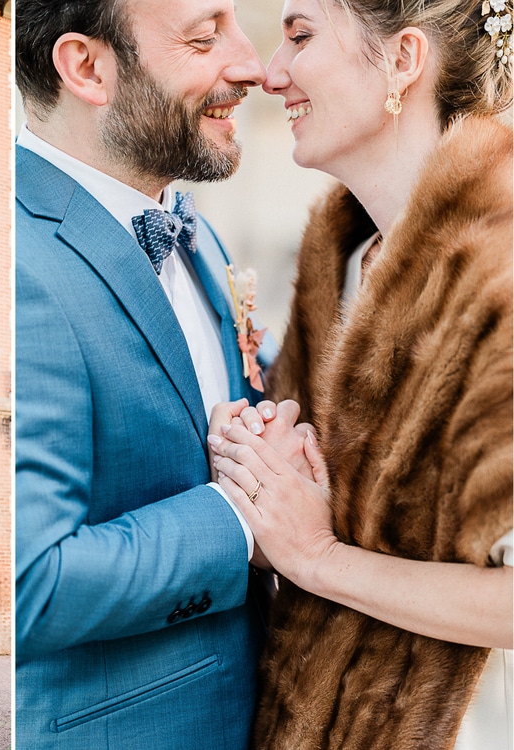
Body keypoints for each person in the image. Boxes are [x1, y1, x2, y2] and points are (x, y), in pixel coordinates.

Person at [208, 0, 513, 747]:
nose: (270, 73)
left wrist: (318, 557)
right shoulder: (342, 263)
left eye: (300, 36)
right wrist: (254, 451)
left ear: (404, 60)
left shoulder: (501, 277)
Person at [14, 1, 275, 747]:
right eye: (204, 37)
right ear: (87, 67)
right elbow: (31, 583)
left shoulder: (188, 224)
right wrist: (242, 517)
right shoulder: (20, 268)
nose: (250, 64)